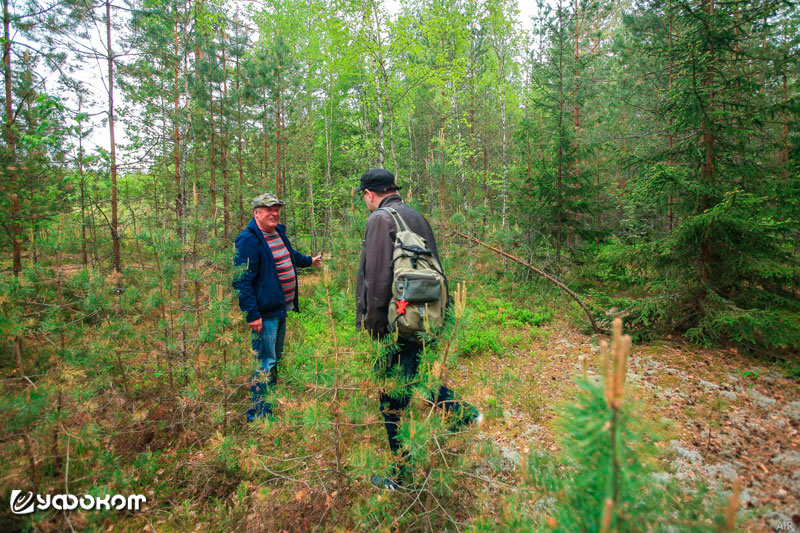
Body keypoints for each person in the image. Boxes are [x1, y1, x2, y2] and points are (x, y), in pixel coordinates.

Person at [354, 168, 482, 490]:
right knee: (420, 376)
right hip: (424, 317)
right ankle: (463, 415)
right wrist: (441, 316)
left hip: (396, 325)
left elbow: (378, 281)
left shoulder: (379, 219)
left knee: (391, 399)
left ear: (369, 194)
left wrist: (374, 326)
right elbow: (436, 266)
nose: (365, 202)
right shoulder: (415, 215)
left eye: (364, 197)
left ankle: (402, 476)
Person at [234, 193, 322, 421]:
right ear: (256, 213)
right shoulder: (248, 239)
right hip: (264, 313)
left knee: (274, 360)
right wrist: (252, 314)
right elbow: (242, 280)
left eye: (277, 209)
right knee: (264, 362)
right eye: (268, 210)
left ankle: (268, 405)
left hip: (281, 307)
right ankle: (259, 415)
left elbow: (288, 256)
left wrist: (309, 261)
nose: (274, 213)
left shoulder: (277, 232)